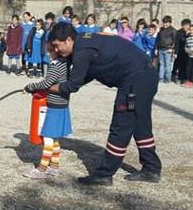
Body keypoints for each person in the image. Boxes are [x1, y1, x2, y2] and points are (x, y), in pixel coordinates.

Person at [48, 22, 161, 185]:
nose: (57, 51)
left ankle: (104, 175)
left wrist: (51, 88)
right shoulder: (85, 40)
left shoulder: (82, 51)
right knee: (139, 124)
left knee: (121, 124)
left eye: (58, 46)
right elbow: (84, 76)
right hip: (145, 75)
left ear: (68, 40)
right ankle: (152, 169)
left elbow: (73, 85)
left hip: (134, 82)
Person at [23, 43, 73, 179]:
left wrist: (30, 86)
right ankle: (55, 167)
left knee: (48, 137)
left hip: (55, 105)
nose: (47, 54)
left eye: (48, 51)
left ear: (55, 51)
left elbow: (46, 83)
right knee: (55, 137)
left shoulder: (56, 65)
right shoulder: (66, 63)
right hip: (63, 104)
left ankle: (42, 169)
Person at [155, 16, 177, 84]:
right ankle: (161, 78)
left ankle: (168, 78)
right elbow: (158, 40)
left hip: (168, 50)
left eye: (166, 23)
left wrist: (172, 49)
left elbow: (175, 41)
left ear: (170, 23)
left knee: (167, 65)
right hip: (161, 49)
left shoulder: (173, 30)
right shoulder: (161, 30)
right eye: (164, 23)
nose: (165, 24)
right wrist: (156, 48)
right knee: (161, 64)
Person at [172, 19, 191, 83]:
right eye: (184, 26)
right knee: (181, 65)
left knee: (188, 66)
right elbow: (177, 43)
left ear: (189, 25)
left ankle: (187, 78)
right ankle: (181, 78)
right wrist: (175, 53)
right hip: (181, 51)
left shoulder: (192, 31)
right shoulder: (179, 32)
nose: (185, 27)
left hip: (189, 52)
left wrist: (188, 34)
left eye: (187, 26)